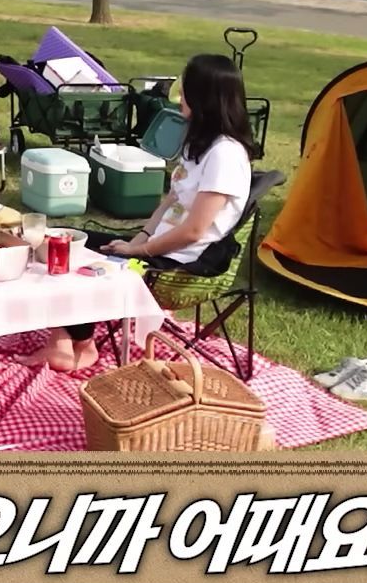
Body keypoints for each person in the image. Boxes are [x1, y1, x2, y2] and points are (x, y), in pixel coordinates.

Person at [26, 54, 255, 373]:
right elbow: (170, 202)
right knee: (61, 240)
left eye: (186, 89)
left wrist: (139, 252)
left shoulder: (226, 155)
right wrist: (138, 239)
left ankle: (79, 343)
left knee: (78, 257)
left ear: (204, 97)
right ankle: (67, 338)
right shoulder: (199, 144)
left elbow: (194, 231)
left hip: (178, 265)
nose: (179, 96)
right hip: (154, 248)